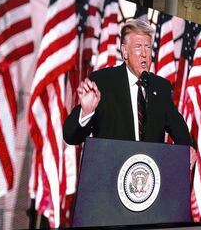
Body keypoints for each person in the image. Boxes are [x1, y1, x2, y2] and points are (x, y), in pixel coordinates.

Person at [63, 18, 192, 147]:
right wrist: (86, 112)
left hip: (148, 166)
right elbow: (70, 136)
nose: (144, 54)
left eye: (148, 47)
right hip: (113, 165)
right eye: (138, 47)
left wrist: (188, 149)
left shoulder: (160, 87)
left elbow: (182, 134)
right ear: (124, 51)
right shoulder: (102, 82)